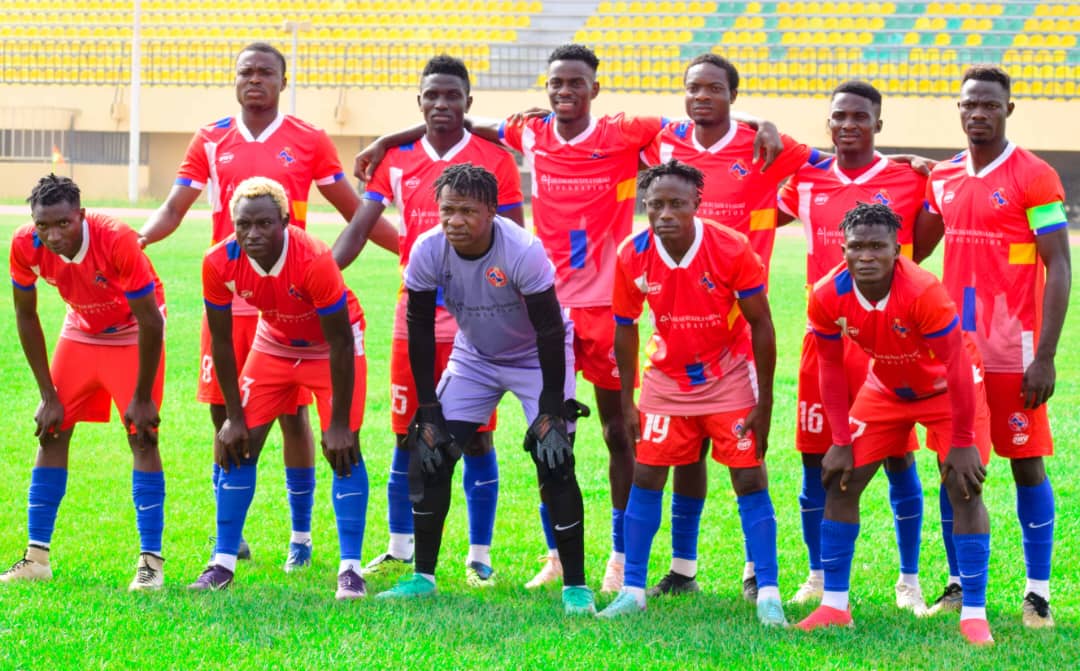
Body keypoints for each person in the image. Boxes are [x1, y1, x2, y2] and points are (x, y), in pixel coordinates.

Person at [356, 42, 783, 593]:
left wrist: (760, 118)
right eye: (556, 83)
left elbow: (699, 112)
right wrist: (390, 139)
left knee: (618, 432)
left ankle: (619, 558)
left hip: (605, 306)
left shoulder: (624, 131)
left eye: (576, 83)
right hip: (542, 308)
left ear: (594, 89)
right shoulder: (529, 132)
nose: (564, 92)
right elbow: (457, 118)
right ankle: (558, 557)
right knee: (549, 435)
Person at [139, 41, 395, 570]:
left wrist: (412, 248)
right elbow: (174, 206)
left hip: (297, 299)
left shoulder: (308, 140)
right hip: (231, 295)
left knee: (296, 418)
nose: (254, 80)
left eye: (265, 73)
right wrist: (139, 240)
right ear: (234, 80)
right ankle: (228, 538)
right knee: (225, 416)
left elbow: (353, 210)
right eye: (245, 72)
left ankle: (300, 537)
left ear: (283, 80)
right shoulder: (211, 138)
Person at [332, 55, 524, 586]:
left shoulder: (494, 160)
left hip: (476, 322)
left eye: (452, 96)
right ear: (419, 103)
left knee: (478, 438)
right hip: (412, 319)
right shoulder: (397, 159)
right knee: (406, 433)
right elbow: (359, 227)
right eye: (432, 97)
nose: (442, 105)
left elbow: (516, 238)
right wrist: (320, 272)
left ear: (469, 102)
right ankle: (399, 545)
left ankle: (478, 553)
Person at [375, 164, 594, 615]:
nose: (454, 220)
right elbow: (418, 325)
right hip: (475, 357)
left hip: (537, 357)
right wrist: (429, 408)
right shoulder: (429, 249)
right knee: (430, 452)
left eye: (466, 211)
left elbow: (551, 330)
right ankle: (423, 576)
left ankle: (576, 586)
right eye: (447, 210)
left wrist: (552, 407)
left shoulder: (522, 250)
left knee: (555, 458)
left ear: (492, 211)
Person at [638, 52, 817, 600]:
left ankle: (754, 568)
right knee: (684, 452)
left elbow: (836, 163)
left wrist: (909, 160)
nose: (702, 96)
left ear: (732, 95)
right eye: (693, 87)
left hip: (739, 323)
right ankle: (683, 567)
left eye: (714, 88)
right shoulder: (664, 141)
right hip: (677, 323)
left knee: (746, 455)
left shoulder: (765, 146)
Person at [914, 65, 1070, 628]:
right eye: (968, 105)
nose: (977, 112)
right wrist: (909, 177)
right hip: (953, 352)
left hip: (1013, 350)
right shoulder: (946, 176)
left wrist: (1046, 354)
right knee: (951, 467)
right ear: (958, 110)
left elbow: (1059, 265)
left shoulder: (1035, 175)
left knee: (1027, 465)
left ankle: (1038, 593)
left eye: (988, 104)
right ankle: (957, 584)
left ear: (1008, 109)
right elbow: (913, 249)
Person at [797, 203, 994, 646]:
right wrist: (841, 439)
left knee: (965, 487)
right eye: (856, 247)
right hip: (886, 389)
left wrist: (963, 442)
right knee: (840, 482)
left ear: (897, 250)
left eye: (877, 247)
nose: (865, 256)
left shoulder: (922, 289)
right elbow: (829, 368)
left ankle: (975, 614)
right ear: (843, 249)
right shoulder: (828, 293)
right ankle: (834, 605)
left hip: (948, 390)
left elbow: (958, 365)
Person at [600, 161, 784, 626]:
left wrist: (765, 404)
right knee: (646, 476)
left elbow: (761, 324)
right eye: (655, 204)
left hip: (728, 375)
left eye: (676, 204)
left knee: (748, 478)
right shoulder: (632, 252)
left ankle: (768, 593)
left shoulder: (730, 246)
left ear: (696, 205)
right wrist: (627, 400)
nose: (665, 213)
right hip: (666, 381)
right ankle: (632, 591)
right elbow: (625, 329)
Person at [776, 80, 929, 610]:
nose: (848, 125)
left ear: (878, 125)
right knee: (816, 459)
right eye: (839, 116)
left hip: (889, 340)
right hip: (824, 341)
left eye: (860, 117)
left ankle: (908, 579)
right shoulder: (804, 178)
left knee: (899, 461)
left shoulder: (907, 179)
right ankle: (819, 575)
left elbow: (921, 250)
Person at [189, 177, 369, 600]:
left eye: (265, 224)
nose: (253, 234)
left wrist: (339, 423)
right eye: (243, 224)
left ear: (285, 220)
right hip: (273, 342)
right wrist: (232, 416)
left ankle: (350, 569)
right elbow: (221, 340)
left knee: (342, 448)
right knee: (238, 443)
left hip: (331, 347)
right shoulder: (218, 261)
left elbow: (341, 341)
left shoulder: (313, 259)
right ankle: (222, 561)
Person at [3, 174, 166, 591]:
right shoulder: (25, 245)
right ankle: (36, 558)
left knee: (142, 436)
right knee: (51, 431)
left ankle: (151, 562)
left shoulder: (116, 239)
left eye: (63, 224)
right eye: (43, 225)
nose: (53, 235)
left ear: (81, 214)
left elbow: (150, 320)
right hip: (81, 329)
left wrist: (143, 396)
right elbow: (26, 316)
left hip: (133, 330)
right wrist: (47, 394)